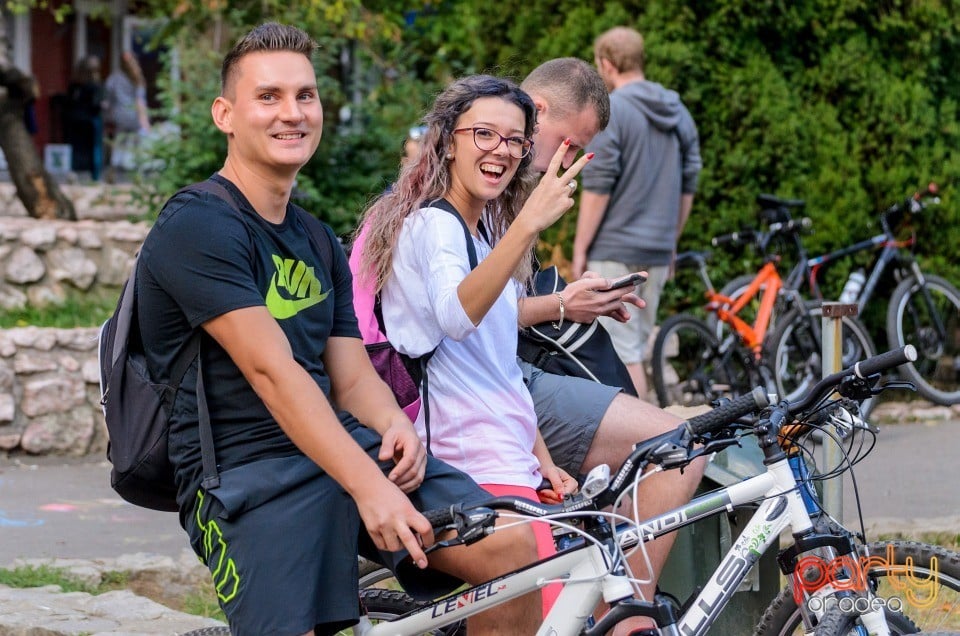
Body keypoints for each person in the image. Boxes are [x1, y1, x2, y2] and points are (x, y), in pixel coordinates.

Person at [135, 23, 544, 635]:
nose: (292, 113)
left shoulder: (317, 239)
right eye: (268, 96)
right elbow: (273, 372)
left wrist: (393, 424)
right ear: (225, 113)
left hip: (342, 445)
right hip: (245, 475)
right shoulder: (198, 225)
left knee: (515, 553)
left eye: (305, 95)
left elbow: (351, 376)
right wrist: (368, 488)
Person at [357, 75, 585, 614]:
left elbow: (499, 368)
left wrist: (542, 459)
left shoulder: (480, 234)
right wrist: (528, 224)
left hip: (509, 460)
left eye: (514, 140)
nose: (500, 150)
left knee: (549, 617)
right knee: (543, 616)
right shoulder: (434, 226)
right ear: (448, 141)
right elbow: (458, 317)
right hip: (468, 464)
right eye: (484, 133)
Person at [518, 56, 705, 635]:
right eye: (568, 143)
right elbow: (461, 316)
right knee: (678, 446)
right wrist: (562, 301)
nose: (568, 160)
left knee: (650, 408)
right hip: (492, 380)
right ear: (539, 110)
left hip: (519, 354)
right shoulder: (502, 179)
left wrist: (564, 296)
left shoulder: (521, 178)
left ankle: (612, 604)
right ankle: (626, 619)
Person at [574, 27, 703, 400]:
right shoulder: (679, 113)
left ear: (607, 64)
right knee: (636, 346)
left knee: (621, 353)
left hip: (615, 250)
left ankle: (641, 444)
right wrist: (672, 240)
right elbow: (688, 183)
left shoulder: (615, 112)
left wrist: (581, 247)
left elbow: (598, 186)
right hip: (659, 251)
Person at [104, 50, 151, 174]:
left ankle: (113, 167)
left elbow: (107, 97)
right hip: (134, 115)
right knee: (137, 143)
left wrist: (108, 114)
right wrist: (144, 121)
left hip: (119, 115)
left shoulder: (114, 78)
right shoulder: (137, 78)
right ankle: (138, 170)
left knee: (119, 141)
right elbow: (139, 101)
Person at [65, 55, 104, 181]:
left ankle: (74, 172)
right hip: (91, 119)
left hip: (75, 119)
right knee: (95, 147)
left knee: (76, 148)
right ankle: (95, 175)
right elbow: (96, 104)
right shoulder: (95, 84)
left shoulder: (75, 84)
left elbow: (69, 102)